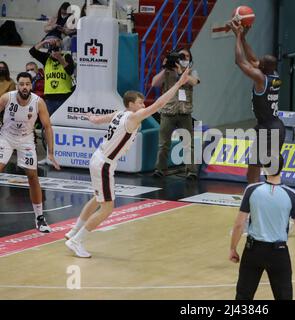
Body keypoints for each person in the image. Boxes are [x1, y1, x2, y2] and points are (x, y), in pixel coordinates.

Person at [64, 69, 190, 258]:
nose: (143, 104)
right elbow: (159, 104)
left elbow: (98, 120)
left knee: (96, 198)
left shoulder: (119, 114)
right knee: (107, 208)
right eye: (140, 102)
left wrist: (92, 118)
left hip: (98, 158)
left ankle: (74, 231)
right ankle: (77, 240)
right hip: (104, 163)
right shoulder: (132, 117)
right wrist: (178, 84)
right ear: (131, 104)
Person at [229, 157, 295, 300]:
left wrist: (233, 248)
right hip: (278, 253)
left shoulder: (252, 190)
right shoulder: (291, 195)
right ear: (282, 168)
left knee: (243, 296)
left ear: (264, 168)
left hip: (253, 251)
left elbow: (239, 225)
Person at [0, 72, 60, 232]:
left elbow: (47, 127)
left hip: (26, 140)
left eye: (27, 84)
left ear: (31, 85)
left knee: (33, 176)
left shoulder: (38, 102)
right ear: (17, 85)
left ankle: (40, 218)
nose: (24, 87)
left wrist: (51, 152)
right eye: (21, 84)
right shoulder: (7, 98)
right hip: (6, 137)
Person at [227, 20, 285, 184]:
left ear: (263, 68)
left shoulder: (261, 78)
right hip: (276, 126)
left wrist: (237, 36)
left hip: (267, 128)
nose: (256, 62)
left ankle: (252, 197)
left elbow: (240, 61)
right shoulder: (274, 74)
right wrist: (244, 38)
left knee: (254, 167)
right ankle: (268, 195)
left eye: (260, 63)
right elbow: (252, 60)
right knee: (268, 167)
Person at [151, 48, 200, 180]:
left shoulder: (192, 72)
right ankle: (159, 169)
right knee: (163, 144)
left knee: (188, 144)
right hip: (168, 112)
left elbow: (193, 82)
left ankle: (191, 171)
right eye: (181, 56)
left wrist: (180, 72)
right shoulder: (167, 71)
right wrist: (165, 67)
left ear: (190, 59)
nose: (184, 59)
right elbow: (154, 83)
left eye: (187, 57)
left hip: (185, 113)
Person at [29, 37, 75, 116]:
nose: (54, 52)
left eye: (57, 49)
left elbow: (70, 71)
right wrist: (44, 42)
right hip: (50, 98)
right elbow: (32, 51)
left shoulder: (66, 56)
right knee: (48, 122)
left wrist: (60, 58)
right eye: (53, 50)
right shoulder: (47, 58)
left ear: (61, 50)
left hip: (64, 97)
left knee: (63, 122)